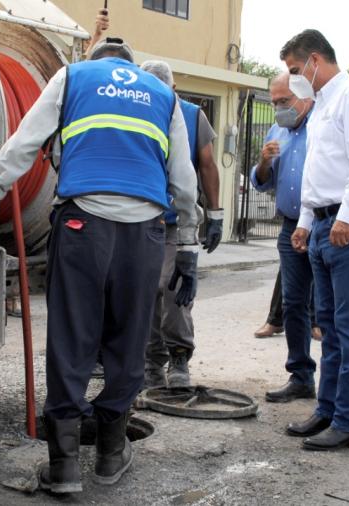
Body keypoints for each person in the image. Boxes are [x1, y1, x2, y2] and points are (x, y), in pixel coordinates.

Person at [0, 38, 200, 492]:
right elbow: (183, 178)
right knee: (128, 339)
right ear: (130, 67)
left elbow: (24, 144)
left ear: (96, 62)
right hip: (144, 232)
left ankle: (63, 467)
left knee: (72, 338)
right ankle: (108, 455)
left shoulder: (74, 76)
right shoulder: (163, 95)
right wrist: (188, 245)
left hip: (85, 222)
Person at [281, 29, 349, 451]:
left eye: (294, 70)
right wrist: (306, 220)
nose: (292, 79)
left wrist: (346, 216)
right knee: (328, 326)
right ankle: (328, 410)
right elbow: (318, 169)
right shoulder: (321, 104)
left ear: (314, 61)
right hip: (325, 223)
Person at [139, 60, 223, 388]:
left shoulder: (191, 114)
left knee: (172, 287)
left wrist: (215, 214)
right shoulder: (135, 110)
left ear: (174, 90)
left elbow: (207, 164)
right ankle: (150, 363)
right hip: (141, 218)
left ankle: (178, 355)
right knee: (144, 290)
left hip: (177, 221)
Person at [250, 73, 319, 403]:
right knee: (293, 303)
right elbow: (262, 182)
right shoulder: (277, 131)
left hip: (324, 225)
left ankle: (336, 383)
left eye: (284, 102)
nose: (278, 108)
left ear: (305, 97)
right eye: (274, 102)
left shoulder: (322, 126)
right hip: (291, 227)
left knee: (329, 308)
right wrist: (264, 162)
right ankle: (301, 375)